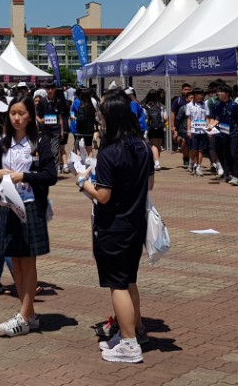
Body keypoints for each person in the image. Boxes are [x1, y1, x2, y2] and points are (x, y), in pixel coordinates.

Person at [77, 90, 154, 363]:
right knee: (129, 280)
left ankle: (130, 344)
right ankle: (134, 331)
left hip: (113, 226)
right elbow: (150, 184)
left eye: (102, 116)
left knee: (117, 285)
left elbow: (103, 196)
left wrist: (82, 182)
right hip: (135, 224)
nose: (100, 121)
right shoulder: (143, 147)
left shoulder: (110, 153)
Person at [0, 96, 56, 337]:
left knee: (28, 262)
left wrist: (25, 176)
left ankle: (23, 316)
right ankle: (29, 315)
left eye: (21, 113)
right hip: (7, 206)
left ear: (30, 115)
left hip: (30, 207)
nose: (16, 118)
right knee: (16, 262)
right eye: (13, 113)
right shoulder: (3, 144)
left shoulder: (39, 143)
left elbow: (50, 175)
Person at [207, 85, 238, 186]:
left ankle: (236, 176)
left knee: (233, 154)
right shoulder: (217, 105)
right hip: (222, 133)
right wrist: (211, 126)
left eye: (221, 92)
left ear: (227, 94)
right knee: (224, 154)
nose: (219, 94)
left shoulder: (234, 105)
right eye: (218, 92)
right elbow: (217, 118)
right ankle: (228, 173)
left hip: (234, 132)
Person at [35, 83, 66, 174]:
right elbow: (36, 114)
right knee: (45, 150)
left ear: (55, 90)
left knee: (55, 151)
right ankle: (45, 169)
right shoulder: (42, 101)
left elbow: (60, 117)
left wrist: (62, 131)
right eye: (48, 89)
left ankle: (54, 172)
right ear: (46, 90)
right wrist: (40, 120)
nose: (50, 90)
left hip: (56, 130)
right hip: (45, 130)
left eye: (52, 88)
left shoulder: (58, 101)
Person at [142, 90, 166, 166]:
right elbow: (165, 117)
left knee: (154, 145)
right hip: (160, 127)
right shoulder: (161, 106)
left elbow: (144, 118)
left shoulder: (145, 107)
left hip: (151, 128)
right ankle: (156, 162)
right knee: (158, 145)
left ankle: (156, 162)